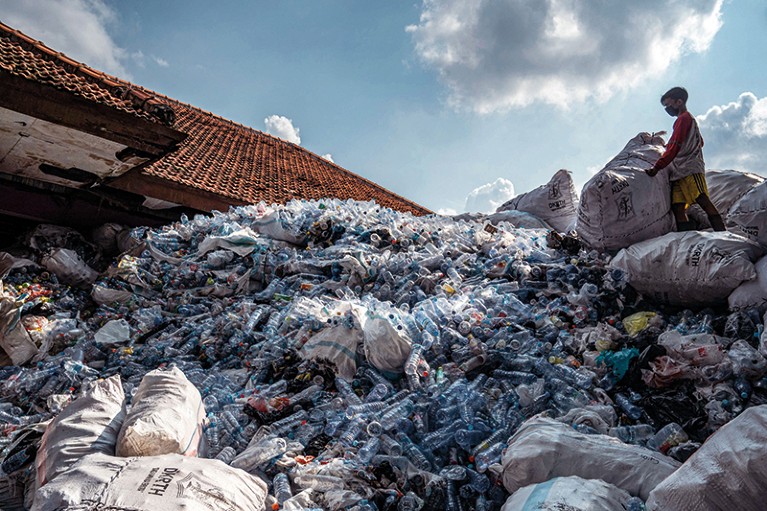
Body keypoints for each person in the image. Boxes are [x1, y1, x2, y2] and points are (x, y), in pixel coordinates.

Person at [646, 87, 725, 232]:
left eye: (669, 105)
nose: (668, 109)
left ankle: (722, 232)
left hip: (690, 168)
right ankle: (686, 237)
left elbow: (675, 146)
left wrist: (657, 167)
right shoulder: (688, 120)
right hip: (679, 171)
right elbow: (700, 142)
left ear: (679, 102)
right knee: (678, 206)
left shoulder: (683, 119)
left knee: (702, 199)